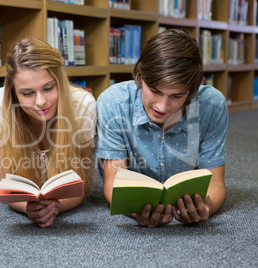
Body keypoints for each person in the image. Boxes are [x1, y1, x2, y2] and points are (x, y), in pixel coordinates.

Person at [96, 29, 228, 228]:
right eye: (155, 91)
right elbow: (112, 182)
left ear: (191, 92)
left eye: (176, 96)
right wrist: (134, 211)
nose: (162, 107)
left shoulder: (212, 106)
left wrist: (206, 206)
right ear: (140, 78)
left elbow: (216, 182)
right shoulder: (113, 102)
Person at [0, 37, 97, 228]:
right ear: (13, 93)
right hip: (8, 170)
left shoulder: (83, 105)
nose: (41, 102)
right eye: (27, 93)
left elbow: (80, 186)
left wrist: (56, 206)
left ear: (60, 81)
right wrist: (28, 207)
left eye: (48, 88)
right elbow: (8, 186)